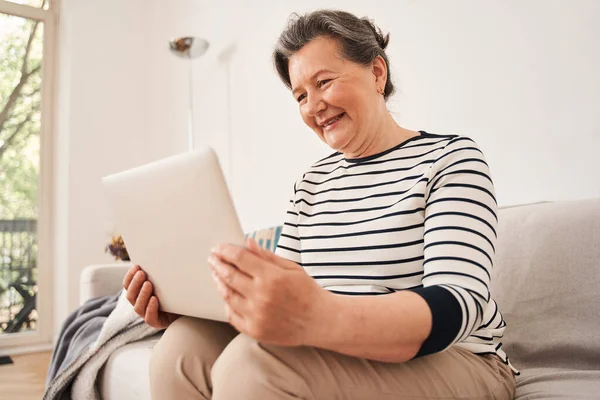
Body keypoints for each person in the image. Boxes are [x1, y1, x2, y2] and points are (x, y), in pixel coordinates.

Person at [123, 9, 518, 400]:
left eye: (324, 82)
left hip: (456, 359)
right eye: (300, 95)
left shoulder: (449, 158)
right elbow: (285, 298)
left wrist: (318, 315)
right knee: (181, 349)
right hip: (336, 345)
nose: (313, 106)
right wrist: (195, 305)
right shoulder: (310, 184)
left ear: (377, 73)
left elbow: (458, 304)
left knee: (254, 364)